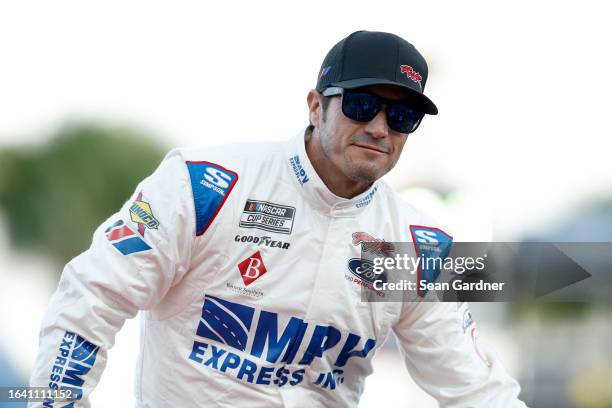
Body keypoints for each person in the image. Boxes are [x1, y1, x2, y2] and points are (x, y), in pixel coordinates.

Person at [29, 30, 526, 407]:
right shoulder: (207, 185)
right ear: (316, 106)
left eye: (401, 117)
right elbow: (91, 297)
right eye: (361, 105)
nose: (378, 128)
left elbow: (478, 389)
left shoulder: (414, 245)